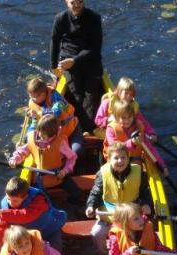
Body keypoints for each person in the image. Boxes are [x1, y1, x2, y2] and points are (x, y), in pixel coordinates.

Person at [85, 142, 151, 255]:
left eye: (123, 157)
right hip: (110, 216)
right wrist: (90, 206)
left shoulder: (138, 172)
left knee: (141, 233)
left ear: (128, 158)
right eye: (116, 158)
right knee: (96, 233)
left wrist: (146, 204)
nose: (120, 161)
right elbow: (95, 193)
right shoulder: (102, 173)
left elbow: (145, 192)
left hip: (131, 215)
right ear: (109, 160)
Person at [51, 0, 104, 134]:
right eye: (73, 2)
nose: (76, 5)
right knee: (76, 96)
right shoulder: (60, 19)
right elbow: (55, 43)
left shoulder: (94, 18)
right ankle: (79, 129)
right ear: (66, 2)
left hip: (90, 61)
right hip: (68, 62)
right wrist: (54, 67)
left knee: (90, 96)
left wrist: (74, 61)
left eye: (80, 2)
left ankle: (87, 131)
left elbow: (95, 48)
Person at [9, 114, 83, 209]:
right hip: (39, 178)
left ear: (53, 134)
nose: (39, 135)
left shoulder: (60, 143)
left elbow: (72, 157)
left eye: (43, 134)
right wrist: (15, 159)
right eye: (39, 131)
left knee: (76, 192)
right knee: (30, 197)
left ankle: (75, 202)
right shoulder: (32, 138)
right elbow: (22, 151)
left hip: (58, 175)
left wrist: (65, 171)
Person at [0, 177, 66, 255]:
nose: (11, 203)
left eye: (15, 201)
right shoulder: (6, 209)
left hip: (49, 231)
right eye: (8, 199)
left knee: (55, 252)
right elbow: (0, 229)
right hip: (29, 237)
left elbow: (27, 215)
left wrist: (1, 212)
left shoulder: (38, 199)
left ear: (25, 197)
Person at [105, 99, 169, 177]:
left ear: (133, 116)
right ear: (117, 118)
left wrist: (162, 167)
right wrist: (131, 143)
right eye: (123, 118)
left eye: (129, 117)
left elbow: (150, 150)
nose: (127, 121)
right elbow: (114, 148)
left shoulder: (138, 129)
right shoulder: (111, 130)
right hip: (117, 163)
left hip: (134, 164)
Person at [26, 77, 84, 156]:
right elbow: (34, 123)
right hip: (54, 134)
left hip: (71, 128)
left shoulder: (56, 97)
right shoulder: (33, 103)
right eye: (30, 96)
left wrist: (39, 114)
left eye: (34, 97)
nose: (32, 99)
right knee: (28, 139)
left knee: (77, 150)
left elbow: (56, 112)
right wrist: (29, 136)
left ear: (43, 94)